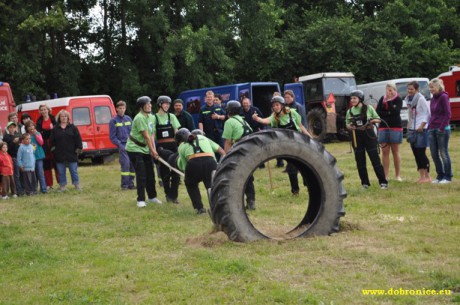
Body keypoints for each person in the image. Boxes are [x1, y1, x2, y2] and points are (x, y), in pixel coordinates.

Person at [253, 96, 312, 196]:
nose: (275, 107)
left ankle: (308, 184)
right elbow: (266, 121)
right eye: (273, 106)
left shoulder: (292, 113)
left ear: (282, 105)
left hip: (298, 142)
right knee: (291, 169)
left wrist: (310, 137)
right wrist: (257, 118)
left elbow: (301, 126)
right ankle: (295, 191)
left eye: (277, 105)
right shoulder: (274, 117)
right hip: (287, 147)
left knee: (305, 165)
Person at [174, 128, 225, 214]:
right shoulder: (204, 138)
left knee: (191, 184)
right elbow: (221, 151)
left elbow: (184, 167)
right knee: (212, 185)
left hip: (193, 164)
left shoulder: (181, 146)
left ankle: (200, 208)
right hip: (211, 162)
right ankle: (217, 207)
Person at [346, 90, 388, 189]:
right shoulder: (350, 111)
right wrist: (350, 126)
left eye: (354, 98)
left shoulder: (368, 108)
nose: (352, 100)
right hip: (356, 136)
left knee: (375, 159)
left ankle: (383, 182)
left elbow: (378, 119)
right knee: (360, 161)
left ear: (360, 99)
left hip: (368, 135)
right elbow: (347, 124)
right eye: (351, 98)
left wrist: (372, 120)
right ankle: (365, 183)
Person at [125, 96, 162, 208]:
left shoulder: (152, 117)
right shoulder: (139, 118)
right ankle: (140, 200)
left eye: (150, 103)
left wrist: (153, 150)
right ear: (141, 107)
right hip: (134, 149)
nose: (150, 105)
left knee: (150, 173)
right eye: (147, 104)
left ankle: (152, 197)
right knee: (141, 174)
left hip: (145, 148)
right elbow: (146, 136)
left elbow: (151, 135)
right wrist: (153, 151)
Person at [222, 100, 256, 210]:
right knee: (248, 177)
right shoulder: (242, 120)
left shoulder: (229, 121)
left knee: (236, 176)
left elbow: (227, 142)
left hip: (239, 151)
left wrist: (225, 157)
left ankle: (236, 203)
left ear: (229, 110)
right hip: (250, 150)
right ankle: (251, 201)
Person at [153, 95, 181, 204]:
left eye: (169, 104)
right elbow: (152, 135)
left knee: (176, 171)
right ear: (160, 104)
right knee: (165, 172)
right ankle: (167, 194)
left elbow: (177, 132)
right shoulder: (153, 118)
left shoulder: (172, 117)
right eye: (165, 103)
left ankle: (174, 195)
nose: (168, 106)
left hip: (173, 146)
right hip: (161, 147)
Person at [49, 110, 83, 192]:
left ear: (68, 117)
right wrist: (54, 151)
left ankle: (77, 185)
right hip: (59, 154)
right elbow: (51, 141)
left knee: (73, 170)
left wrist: (78, 150)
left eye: (65, 116)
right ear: (59, 118)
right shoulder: (55, 129)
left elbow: (78, 140)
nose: (64, 118)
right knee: (61, 172)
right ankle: (62, 186)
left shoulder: (73, 128)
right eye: (62, 116)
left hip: (72, 154)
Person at [376, 82, 403, 181]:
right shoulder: (381, 99)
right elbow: (378, 112)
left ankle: (397, 175)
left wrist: (390, 101)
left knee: (395, 151)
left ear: (394, 90)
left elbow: (396, 112)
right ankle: (385, 175)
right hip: (383, 127)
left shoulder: (398, 99)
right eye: (387, 90)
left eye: (390, 90)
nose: (388, 92)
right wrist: (388, 112)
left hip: (395, 127)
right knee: (385, 151)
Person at [405, 81, 431, 183]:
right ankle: (421, 176)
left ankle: (427, 176)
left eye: (411, 89)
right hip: (412, 128)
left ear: (417, 90)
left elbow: (428, 113)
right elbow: (411, 114)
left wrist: (422, 125)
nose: (409, 91)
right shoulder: (408, 99)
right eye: (408, 89)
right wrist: (409, 124)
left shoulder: (421, 99)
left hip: (421, 129)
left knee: (421, 153)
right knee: (415, 153)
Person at [428, 78, 452, 184]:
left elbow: (448, 114)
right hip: (432, 128)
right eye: (430, 87)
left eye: (432, 87)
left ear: (438, 87)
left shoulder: (444, 97)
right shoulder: (433, 99)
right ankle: (439, 175)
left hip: (442, 129)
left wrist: (441, 127)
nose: (430, 89)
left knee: (443, 153)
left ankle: (447, 176)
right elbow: (433, 114)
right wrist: (429, 126)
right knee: (434, 154)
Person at [109, 100, 135, 190]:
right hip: (122, 145)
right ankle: (124, 185)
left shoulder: (128, 119)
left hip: (131, 145)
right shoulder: (113, 121)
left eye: (123, 108)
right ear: (117, 109)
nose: (122, 110)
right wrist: (120, 145)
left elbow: (133, 133)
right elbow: (112, 137)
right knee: (125, 164)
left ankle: (131, 184)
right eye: (120, 108)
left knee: (133, 164)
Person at [36, 104, 58, 190]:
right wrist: (48, 132)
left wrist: (46, 132)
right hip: (44, 145)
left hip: (54, 144)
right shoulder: (39, 121)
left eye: (44, 109)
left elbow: (56, 130)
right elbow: (39, 134)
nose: (43, 111)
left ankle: (61, 183)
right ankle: (49, 185)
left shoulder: (54, 119)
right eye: (41, 110)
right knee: (47, 165)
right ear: (40, 112)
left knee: (56, 164)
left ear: (48, 110)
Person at [25, 121, 47, 193]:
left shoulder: (38, 133)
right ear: (27, 128)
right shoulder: (26, 136)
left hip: (39, 156)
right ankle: (34, 189)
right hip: (30, 158)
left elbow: (41, 142)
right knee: (33, 174)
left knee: (40, 173)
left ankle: (43, 189)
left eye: (32, 126)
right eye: (29, 126)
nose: (31, 127)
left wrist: (36, 134)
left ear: (34, 126)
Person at [3, 121, 24, 196]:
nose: (12, 129)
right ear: (8, 129)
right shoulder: (6, 137)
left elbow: (22, 138)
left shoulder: (17, 135)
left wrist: (19, 141)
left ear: (15, 128)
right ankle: (18, 191)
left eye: (13, 127)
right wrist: (14, 142)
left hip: (20, 157)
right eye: (10, 127)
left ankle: (21, 189)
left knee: (21, 174)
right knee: (16, 175)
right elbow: (7, 147)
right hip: (12, 158)